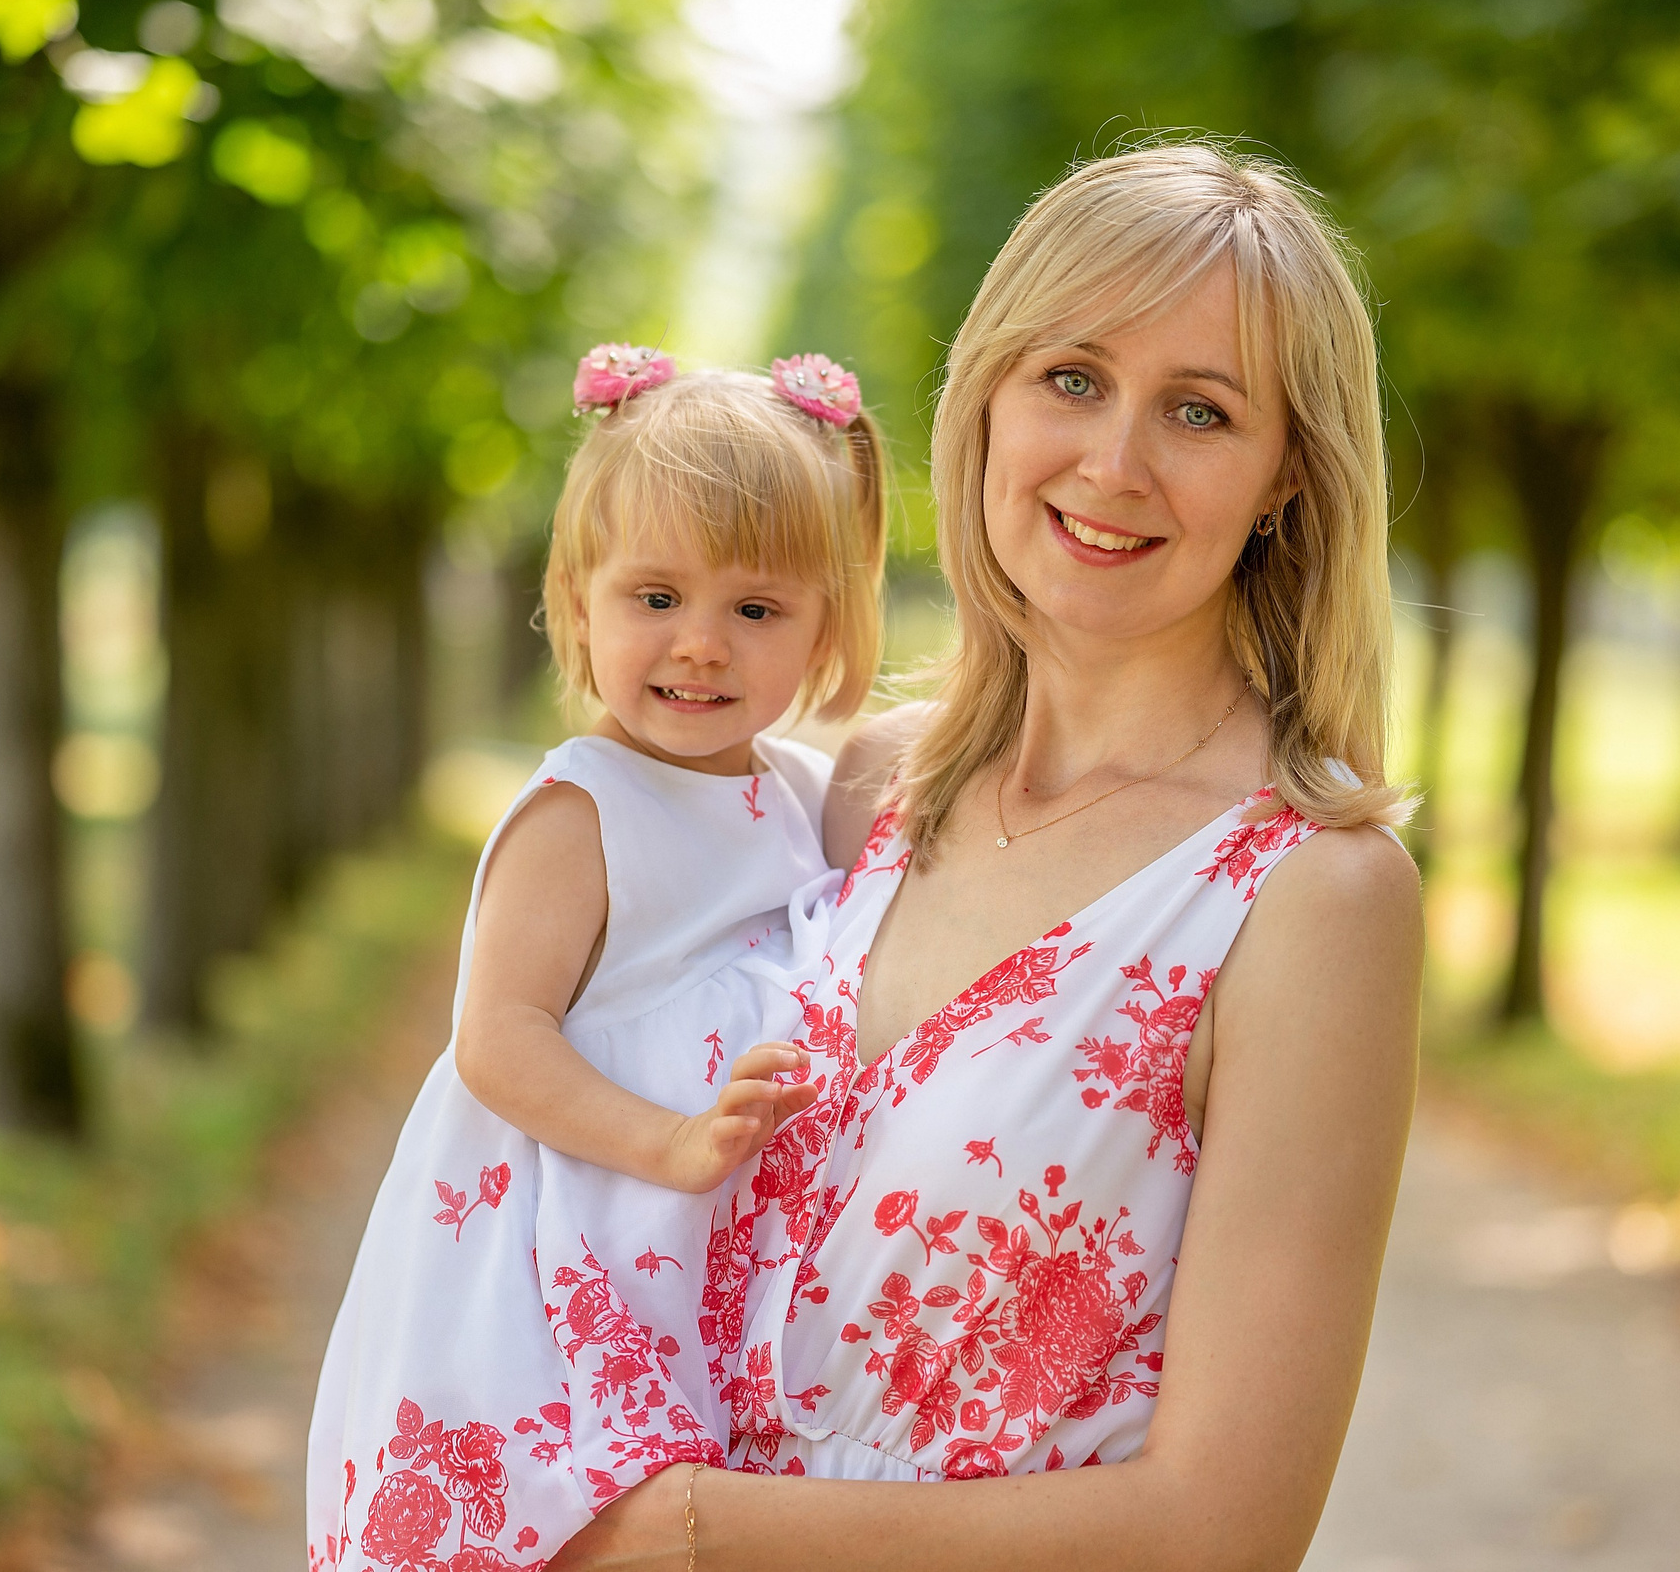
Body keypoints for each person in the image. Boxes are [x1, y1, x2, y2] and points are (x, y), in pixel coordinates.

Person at [552, 143, 1424, 1571]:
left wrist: (697, 1526)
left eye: (1200, 411)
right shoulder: (867, 791)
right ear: (988, 403)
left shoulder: (1308, 894)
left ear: (1285, 481)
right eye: (1071, 378)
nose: (1114, 461)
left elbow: (1224, 1524)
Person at [307, 348, 888, 1572]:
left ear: (826, 625)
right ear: (579, 603)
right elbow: (499, 1037)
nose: (703, 646)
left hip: (688, 1239)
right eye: (656, 598)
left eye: (757, 608)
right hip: (560, 1230)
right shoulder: (583, 807)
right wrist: (670, 1144)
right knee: (541, 1503)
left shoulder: (796, 794)